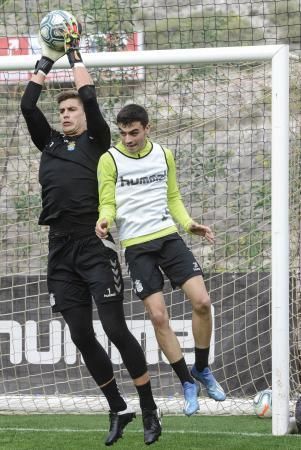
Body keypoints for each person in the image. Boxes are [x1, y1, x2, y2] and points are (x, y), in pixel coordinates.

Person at [20, 20, 161, 446]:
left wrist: (74, 53)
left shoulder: (98, 141)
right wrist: (48, 57)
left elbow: (91, 96)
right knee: (80, 334)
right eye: (61, 110)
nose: (65, 114)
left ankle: (151, 409)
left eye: (70, 110)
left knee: (115, 329)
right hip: (59, 247)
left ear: (83, 116)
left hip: (94, 243)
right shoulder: (47, 144)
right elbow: (28, 106)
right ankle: (119, 408)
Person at [96, 103, 226, 417]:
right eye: (123, 133)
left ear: (147, 128)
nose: (127, 139)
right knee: (158, 317)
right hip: (137, 247)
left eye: (134, 132)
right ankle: (186, 382)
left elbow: (172, 196)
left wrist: (188, 224)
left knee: (203, 302)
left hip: (168, 236)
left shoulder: (164, 155)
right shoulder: (109, 160)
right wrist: (104, 219)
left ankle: (202, 369)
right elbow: (108, 200)